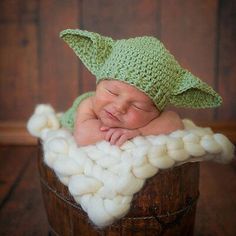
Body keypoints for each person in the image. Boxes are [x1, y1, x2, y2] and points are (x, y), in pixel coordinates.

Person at [59, 29, 222, 147]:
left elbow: (175, 123)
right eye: (112, 92)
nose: (119, 107)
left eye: (138, 106)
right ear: (99, 84)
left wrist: (140, 132)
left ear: (157, 111)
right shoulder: (88, 104)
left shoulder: (156, 118)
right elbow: (82, 135)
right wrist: (111, 134)